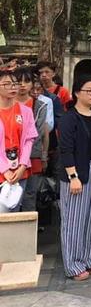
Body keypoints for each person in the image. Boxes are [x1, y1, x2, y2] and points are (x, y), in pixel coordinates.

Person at [58, 75, 91, 281]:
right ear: (77, 92)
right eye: (89, 91)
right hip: (76, 172)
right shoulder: (69, 118)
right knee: (74, 220)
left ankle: (89, 258)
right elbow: (66, 149)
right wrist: (73, 176)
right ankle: (73, 264)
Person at [0, 69, 37, 211]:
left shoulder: (26, 111)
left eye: (14, 83)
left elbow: (29, 140)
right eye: (7, 84)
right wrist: (4, 169)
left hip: (19, 170)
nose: (13, 87)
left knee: (14, 211)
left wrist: (23, 166)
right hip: (3, 168)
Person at [14, 68, 49, 213]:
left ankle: (28, 224)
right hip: (9, 156)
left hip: (32, 154)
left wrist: (44, 156)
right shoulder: (6, 103)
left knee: (30, 193)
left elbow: (40, 133)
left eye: (27, 81)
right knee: (9, 196)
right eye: (18, 81)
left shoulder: (40, 106)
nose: (22, 85)